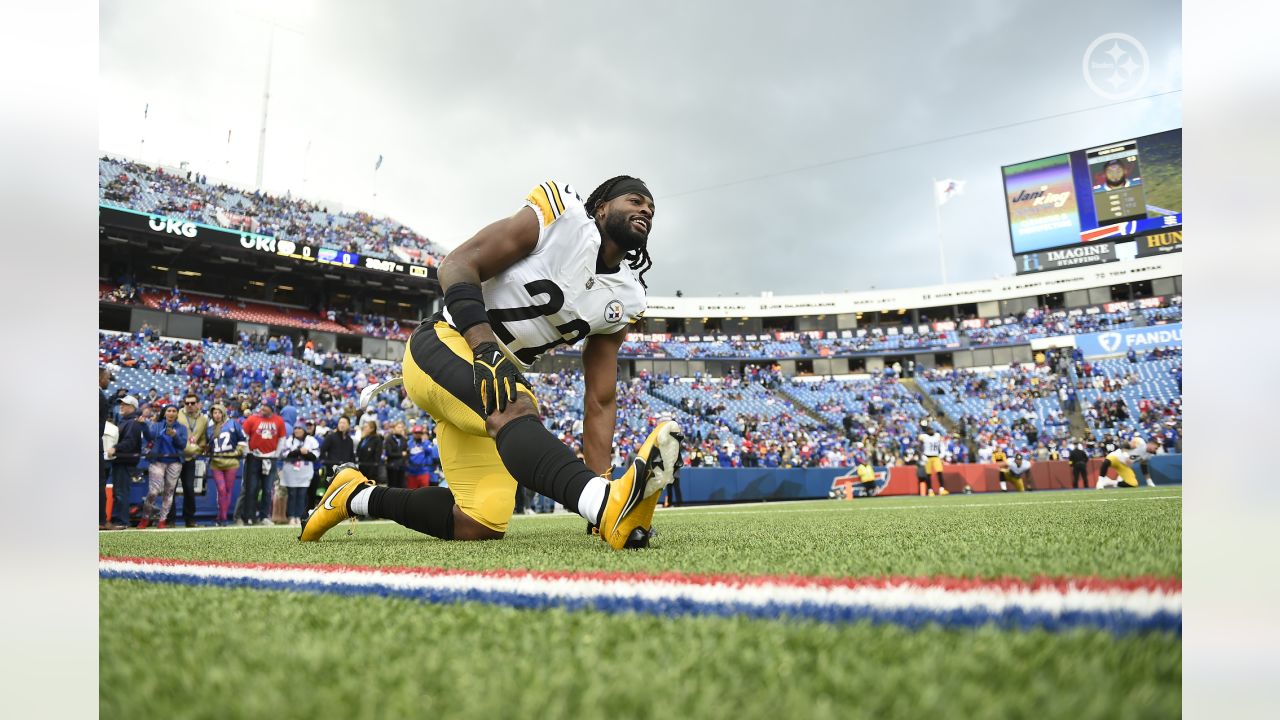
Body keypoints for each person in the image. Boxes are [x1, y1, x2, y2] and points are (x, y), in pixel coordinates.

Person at [301, 176, 681, 550]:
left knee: (480, 521)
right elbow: (457, 264)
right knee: (514, 403)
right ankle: (603, 503)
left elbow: (600, 399)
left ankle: (353, 496)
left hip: (492, 377)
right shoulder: (561, 218)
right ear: (601, 208)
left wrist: (603, 475)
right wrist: (485, 347)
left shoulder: (628, 297)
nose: (645, 209)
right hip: (446, 342)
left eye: (650, 207)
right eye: (634, 200)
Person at [138, 404, 188, 529]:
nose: (171, 413)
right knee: (153, 492)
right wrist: (144, 425)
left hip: (175, 462)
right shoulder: (157, 426)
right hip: (157, 461)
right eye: (169, 411)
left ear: (177, 414)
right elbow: (149, 437)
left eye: (174, 411)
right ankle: (145, 518)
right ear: (165, 413)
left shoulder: (182, 428)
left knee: (169, 492)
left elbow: (183, 445)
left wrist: (174, 436)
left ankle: (162, 521)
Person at [239, 402, 286, 525]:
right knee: (251, 488)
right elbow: (244, 436)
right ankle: (249, 516)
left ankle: (264, 516)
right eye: (262, 406)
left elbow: (282, 439)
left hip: (270, 458)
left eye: (266, 406)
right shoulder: (252, 419)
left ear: (272, 409)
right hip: (254, 458)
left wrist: (276, 454)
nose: (263, 408)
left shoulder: (279, 421)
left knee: (267, 489)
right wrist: (247, 452)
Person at [104, 396, 144, 529]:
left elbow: (129, 442)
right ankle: (120, 519)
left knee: (121, 492)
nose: (121, 406)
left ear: (132, 407)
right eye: (120, 404)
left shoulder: (132, 422)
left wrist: (115, 448)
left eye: (125, 404)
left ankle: (123, 521)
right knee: (119, 491)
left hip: (125, 460)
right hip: (121, 460)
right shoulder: (125, 421)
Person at [206, 403, 246, 526]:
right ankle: (223, 518)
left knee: (227, 490)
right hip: (216, 462)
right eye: (214, 413)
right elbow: (208, 445)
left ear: (223, 412)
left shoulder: (233, 423)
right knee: (222, 490)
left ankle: (221, 517)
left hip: (231, 462)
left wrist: (237, 451)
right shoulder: (209, 428)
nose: (217, 415)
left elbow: (242, 439)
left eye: (219, 412)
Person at [174, 392, 209, 527]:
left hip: (190, 458)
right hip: (176, 457)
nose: (189, 405)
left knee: (189, 488)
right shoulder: (177, 414)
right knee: (170, 488)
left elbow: (202, 440)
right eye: (187, 403)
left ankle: (189, 519)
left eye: (192, 403)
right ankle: (169, 520)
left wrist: (196, 450)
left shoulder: (203, 419)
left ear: (198, 404)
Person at [280, 424, 320, 526]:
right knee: (292, 494)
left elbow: (315, 455)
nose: (297, 430)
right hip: (291, 472)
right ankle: (291, 517)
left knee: (302, 495)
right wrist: (299, 451)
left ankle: (299, 516)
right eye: (295, 428)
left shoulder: (311, 440)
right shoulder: (289, 440)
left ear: (303, 430)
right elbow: (285, 454)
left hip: (305, 472)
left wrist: (305, 453)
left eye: (299, 428)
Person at [315, 416, 357, 507]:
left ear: (349, 425)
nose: (342, 425)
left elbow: (351, 456)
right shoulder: (331, 437)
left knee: (344, 494)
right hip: (332, 472)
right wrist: (327, 463)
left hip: (345, 472)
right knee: (331, 494)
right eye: (340, 422)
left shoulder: (350, 440)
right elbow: (321, 450)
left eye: (344, 423)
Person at [918, 422, 948, 496]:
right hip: (927, 457)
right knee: (928, 474)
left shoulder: (937, 436)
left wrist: (942, 453)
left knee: (939, 472)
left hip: (936, 456)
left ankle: (942, 489)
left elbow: (942, 444)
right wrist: (922, 455)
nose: (931, 431)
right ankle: (930, 490)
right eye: (929, 430)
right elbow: (919, 446)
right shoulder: (924, 436)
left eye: (932, 430)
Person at [403, 424, 438, 489]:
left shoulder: (426, 442)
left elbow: (430, 451)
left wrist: (422, 444)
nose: (418, 435)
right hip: (411, 471)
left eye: (420, 433)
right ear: (413, 433)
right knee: (411, 492)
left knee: (424, 492)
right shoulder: (409, 443)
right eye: (416, 433)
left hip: (423, 471)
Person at [356, 420, 384, 485]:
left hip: (371, 470)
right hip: (362, 467)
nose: (364, 428)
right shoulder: (363, 439)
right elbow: (358, 451)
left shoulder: (377, 440)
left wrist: (373, 468)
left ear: (372, 429)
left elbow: (377, 456)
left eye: (366, 427)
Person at [383, 421, 408, 489]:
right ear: (394, 428)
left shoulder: (404, 439)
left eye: (402, 427)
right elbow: (389, 453)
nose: (400, 429)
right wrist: (401, 454)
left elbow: (406, 452)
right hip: (392, 466)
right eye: (398, 427)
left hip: (401, 466)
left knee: (401, 487)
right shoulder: (389, 439)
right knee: (392, 487)